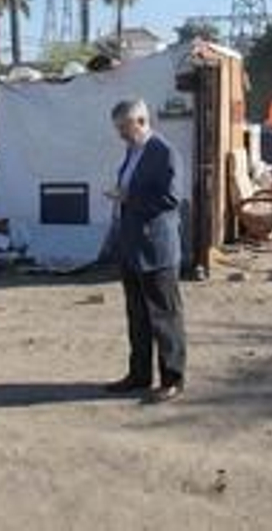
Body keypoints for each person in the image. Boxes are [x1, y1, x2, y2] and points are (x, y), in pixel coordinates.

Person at [102, 98, 186, 404]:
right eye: (118, 128)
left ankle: (172, 378)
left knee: (164, 317)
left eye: (124, 127)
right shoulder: (133, 150)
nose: (121, 134)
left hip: (157, 249)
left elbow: (171, 198)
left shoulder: (164, 152)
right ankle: (138, 375)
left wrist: (128, 198)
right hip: (133, 245)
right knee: (137, 315)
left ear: (141, 121)